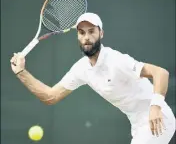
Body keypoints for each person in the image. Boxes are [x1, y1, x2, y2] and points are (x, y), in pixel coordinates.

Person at [10, 12, 175, 144]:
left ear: (101, 33)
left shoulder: (117, 60)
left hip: (159, 121)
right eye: (81, 33)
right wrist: (21, 72)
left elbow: (161, 73)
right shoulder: (81, 69)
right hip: (138, 126)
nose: (86, 37)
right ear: (77, 37)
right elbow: (50, 96)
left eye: (91, 31)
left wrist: (156, 107)